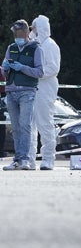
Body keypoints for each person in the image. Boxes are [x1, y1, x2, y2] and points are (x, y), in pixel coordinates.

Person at [1, 20, 44, 170]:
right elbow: (4, 72)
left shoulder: (36, 49)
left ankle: (25, 159)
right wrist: (4, 68)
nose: (16, 36)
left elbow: (40, 72)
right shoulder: (11, 48)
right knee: (16, 127)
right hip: (11, 91)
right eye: (14, 34)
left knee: (25, 125)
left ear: (26, 33)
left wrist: (22, 67)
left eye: (18, 34)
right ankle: (17, 159)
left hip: (27, 91)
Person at [26, 15, 61, 170]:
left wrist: (34, 72)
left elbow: (53, 68)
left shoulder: (50, 45)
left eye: (33, 28)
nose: (32, 31)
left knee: (45, 123)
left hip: (45, 88)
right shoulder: (34, 44)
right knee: (29, 124)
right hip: (32, 87)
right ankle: (29, 159)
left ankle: (48, 158)